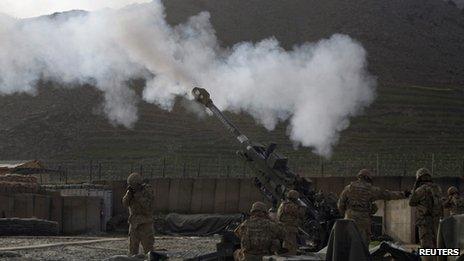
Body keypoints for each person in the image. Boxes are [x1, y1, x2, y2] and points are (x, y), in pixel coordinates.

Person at [338, 169, 409, 246]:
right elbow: (387, 194)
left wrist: (344, 215)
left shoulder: (348, 188)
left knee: (349, 242)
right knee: (363, 244)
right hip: (363, 220)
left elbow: (340, 204)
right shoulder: (371, 189)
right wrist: (403, 194)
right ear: (368, 178)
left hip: (349, 218)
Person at [409, 168, 443, 257]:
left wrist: (415, 186)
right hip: (436, 221)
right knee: (436, 246)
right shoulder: (438, 188)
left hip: (425, 223)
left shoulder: (421, 190)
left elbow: (411, 202)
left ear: (419, 178)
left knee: (426, 248)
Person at [122, 172, 155, 256]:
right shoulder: (130, 192)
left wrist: (138, 195)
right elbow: (125, 203)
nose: (132, 187)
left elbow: (148, 207)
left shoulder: (147, 190)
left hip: (145, 223)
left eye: (134, 185)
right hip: (134, 223)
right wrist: (129, 195)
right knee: (133, 250)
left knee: (149, 250)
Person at [277, 190, 305, 255]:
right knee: (290, 249)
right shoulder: (290, 205)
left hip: (284, 228)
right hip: (289, 230)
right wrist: (302, 206)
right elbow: (301, 213)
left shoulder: (283, 204)